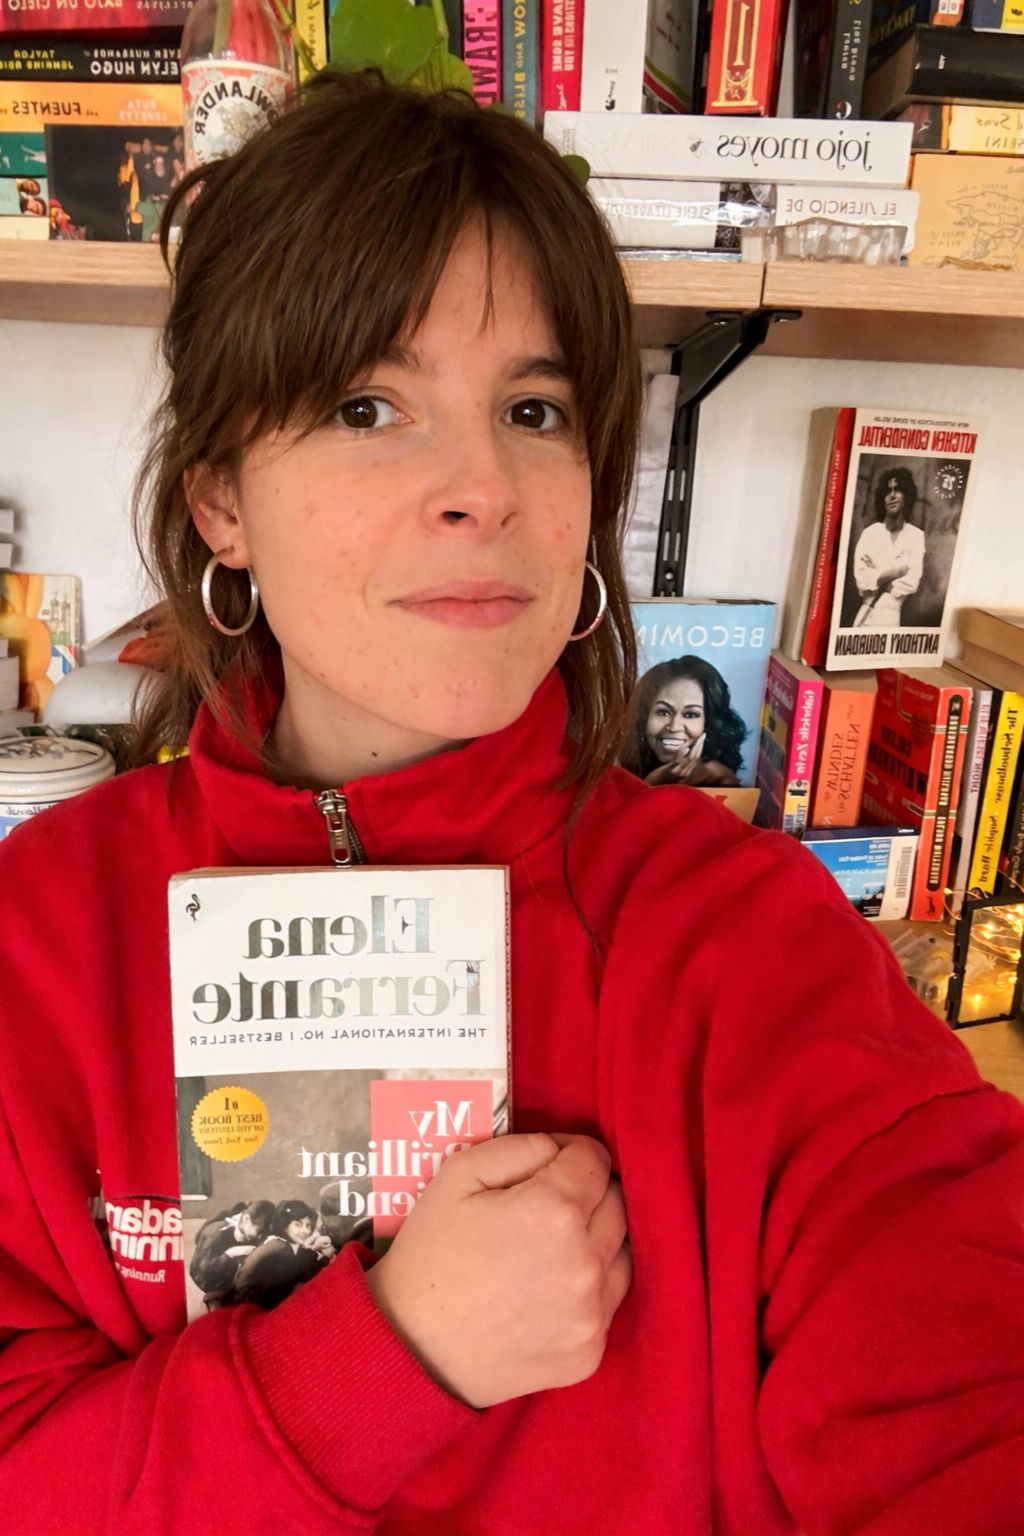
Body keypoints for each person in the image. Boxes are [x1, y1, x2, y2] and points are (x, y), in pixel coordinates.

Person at [0, 70, 1021, 1536]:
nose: (483, 486)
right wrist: (383, 1362)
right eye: (367, 406)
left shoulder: (747, 939)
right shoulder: (37, 941)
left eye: (533, 409)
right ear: (222, 500)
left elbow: (960, 1358)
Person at [620, 654, 747, 787]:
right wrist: (654, 781)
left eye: (690, 715)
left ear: (709, 723)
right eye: (663, 713)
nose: (674, 727)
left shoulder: (718, 778)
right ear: (643, 717)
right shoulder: (617, 767)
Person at [851, 464, 925, 628]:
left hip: (891, 619)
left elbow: (912, 582)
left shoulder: (916, 536)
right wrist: (897, 572)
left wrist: (876, 575)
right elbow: (862, 581)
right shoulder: (870, 533)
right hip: (865, 617)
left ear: (907, 495)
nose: (892, 496)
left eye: (897, 490)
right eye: (887, 492)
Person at [230, 1201, 336, 1311]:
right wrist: (323, 1256)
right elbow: (296, 1276)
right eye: (298, 1224)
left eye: (308, 1225)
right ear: (285, 1225)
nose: (305, 1231)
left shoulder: (279, 1243)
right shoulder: (280, 1250)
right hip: (251, 1307)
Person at [189, 1199, 275, 1303]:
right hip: (205, 1276)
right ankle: (215, 1297)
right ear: (246, 1219)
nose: (261, 1236)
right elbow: (203, 1270)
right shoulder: (215, 1233)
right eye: (260, 1231)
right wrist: (231, 1253)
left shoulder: (249, 1232)